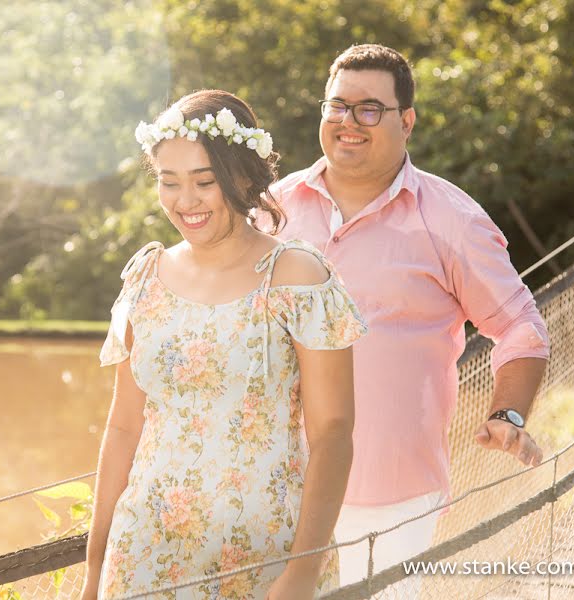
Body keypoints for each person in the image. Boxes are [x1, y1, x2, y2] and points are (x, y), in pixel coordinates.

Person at [261, 44, 551, 595]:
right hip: (277, 482)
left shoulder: (451, 221)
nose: (349, 122)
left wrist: (508, 413)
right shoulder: (272, 209)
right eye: (338, 106)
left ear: (407, 121)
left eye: (370, 109)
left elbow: (521, 326)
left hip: (388, 493)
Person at [80, 89, 369, 600]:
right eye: (169, 182)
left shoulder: (296, 277)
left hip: (266, 559)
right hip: (145, 556)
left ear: (242, 177)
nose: (184, 201)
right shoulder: (144, 278)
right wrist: (94, 574)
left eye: (203, 181)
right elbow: (123, 428)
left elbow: (333, 434)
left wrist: (301, 574)